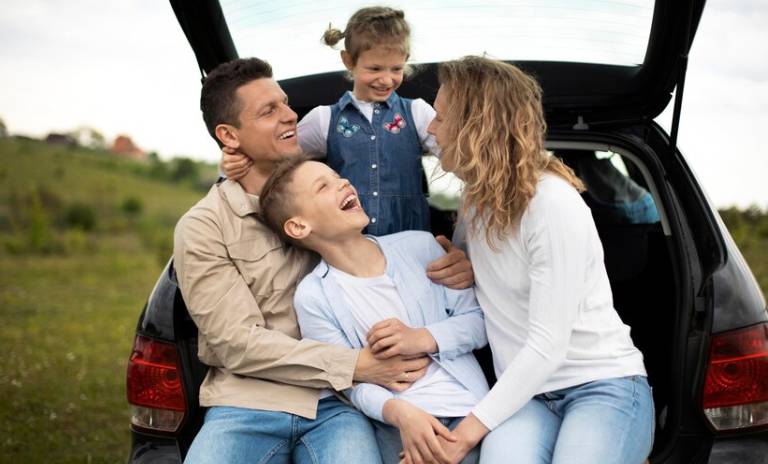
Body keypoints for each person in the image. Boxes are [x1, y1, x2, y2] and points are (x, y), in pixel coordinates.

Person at [174, 57, 473, 464]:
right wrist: (355, 365)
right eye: (269, 111)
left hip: (340, 404)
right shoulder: (204, 226)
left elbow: (395, 254)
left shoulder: (332, 189)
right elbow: (234, 343)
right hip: (248, 401)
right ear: (228, 135)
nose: (290, 115)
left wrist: (464, 263)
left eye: (284, 103)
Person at [424, 56, 655, 464]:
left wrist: (465, 434)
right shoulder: (475, 203)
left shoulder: (550, 204)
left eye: (441, 117)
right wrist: (462, 265)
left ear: (476, 126)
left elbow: (548, 344)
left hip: (601, 385)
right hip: (525, 396)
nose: (431, 128)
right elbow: (482, 282)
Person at [255, 155, 489, 464]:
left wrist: (421, 338)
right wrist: (400, 413)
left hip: (467, 411)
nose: (343, 183)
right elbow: (349, 382)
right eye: (323, 186)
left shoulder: (420, 247)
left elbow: (477, 322)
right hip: (393, 424)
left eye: (338, 176)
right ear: (299, 226)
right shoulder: (313, 296)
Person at [222, 6, 436, 237]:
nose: (386, 79)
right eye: (374, 68)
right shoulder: (324, 119)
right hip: (349, 244)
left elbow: (460, 158)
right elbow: (277, 159)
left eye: (396, 68)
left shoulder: (417, 112)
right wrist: (233, 164)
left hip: (412, 238)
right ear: (348, 61)